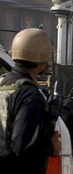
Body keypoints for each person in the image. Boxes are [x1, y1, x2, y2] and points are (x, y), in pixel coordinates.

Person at [0, 28, 61, 173]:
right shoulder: (30, 96)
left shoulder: (3, 86)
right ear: (43, 59)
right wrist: (51, 145)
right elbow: (23, 148)